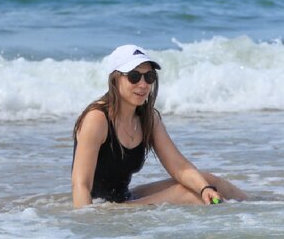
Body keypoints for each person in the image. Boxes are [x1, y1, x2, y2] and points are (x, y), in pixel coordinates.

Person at [71, 44, 247, 208]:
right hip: (102, 207)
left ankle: (258, 206)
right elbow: (81, 185)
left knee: (207, 181)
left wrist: (204, 188)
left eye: (149, 77)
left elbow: (179, 167)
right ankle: (232, 218)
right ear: (115, 80)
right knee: (187, 194)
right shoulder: (97, 119)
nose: (143, 84)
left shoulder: (148, 118)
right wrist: (89, 231)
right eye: (134, 77)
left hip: (124, 198)